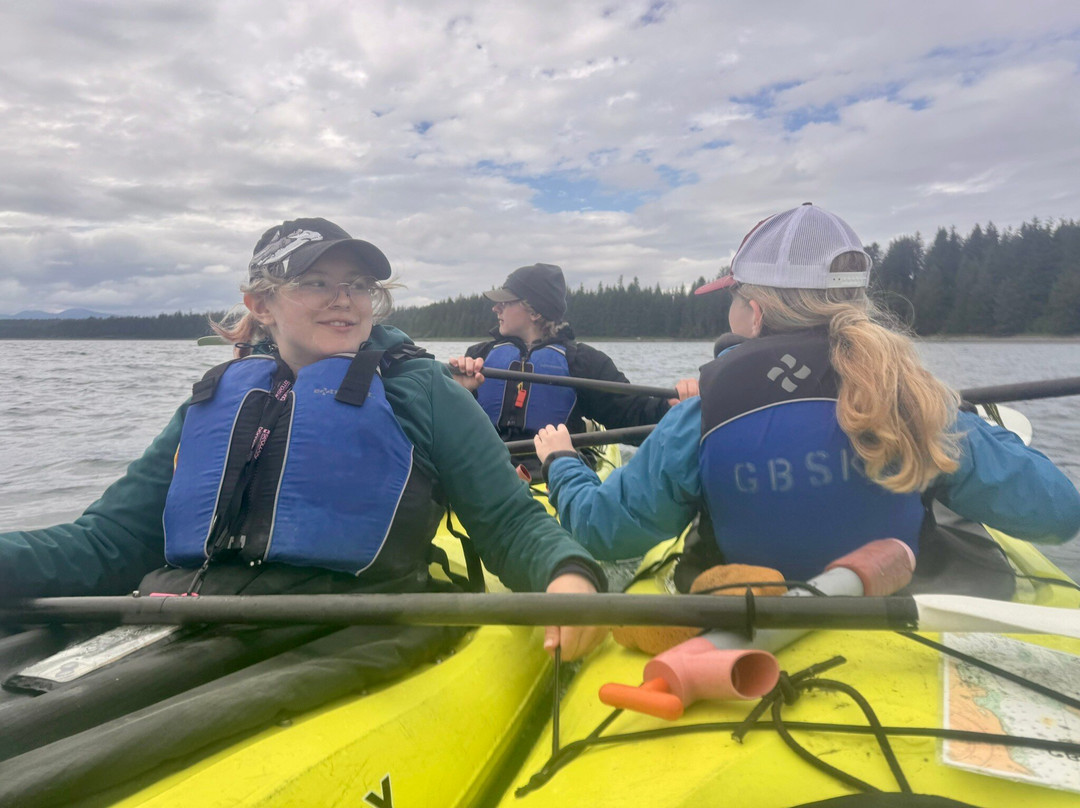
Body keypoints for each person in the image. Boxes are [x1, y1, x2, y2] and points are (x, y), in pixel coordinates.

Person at [0, 218, 606, 661]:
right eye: (315, 282)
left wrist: (568, 574)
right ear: (259, 303)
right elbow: (108, 542)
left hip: (351, 633)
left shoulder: (419, 388)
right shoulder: (217, 393)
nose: (344, 298)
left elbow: (506, 520)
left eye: (359, 284)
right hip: (189, 625)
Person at [533, 204, 1080, 589]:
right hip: (898, 619)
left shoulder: (703, 415)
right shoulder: (913, 400)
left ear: (756, 311)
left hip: (751, 617)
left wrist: (561, 462)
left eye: (733, 299)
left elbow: (603, 531)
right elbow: (1057, 514)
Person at [448, 263, 696, 467]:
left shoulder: (583, 362)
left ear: (534, 312)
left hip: (554, 472)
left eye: (506, 302)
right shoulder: (478, 356)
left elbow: (632, 417)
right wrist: (458, 389)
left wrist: (676, 408)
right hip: (487, 470)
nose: (496, 308)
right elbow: (443, 423)